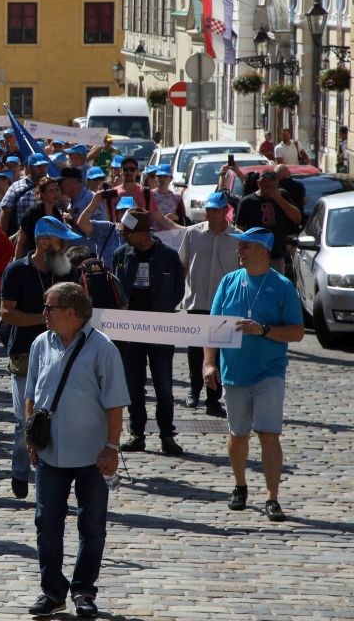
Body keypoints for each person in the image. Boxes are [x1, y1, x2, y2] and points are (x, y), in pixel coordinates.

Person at [24, 283, 128, 619]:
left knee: (92, 525)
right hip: (50, 453)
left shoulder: (103, 349)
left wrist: (112, 448)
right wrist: (31, 439)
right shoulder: (41, 344)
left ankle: (84, 590)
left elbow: (115, 404)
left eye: (49, 307)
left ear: (72, 312)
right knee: (47, 523)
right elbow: (31, 395)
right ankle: (52, 591)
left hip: (92, 455)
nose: (44, 313)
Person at [204, 227, 304, 522]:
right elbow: (213, 327)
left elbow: (297, 332)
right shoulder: (228, 282)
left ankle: (273, 497)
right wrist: (208, 364)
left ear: (262, 250)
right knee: (238, 434)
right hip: (234, 371)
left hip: (269, 371)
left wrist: (264, 330)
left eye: (245, 247)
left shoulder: (282, 286)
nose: (240, 251)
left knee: (269, 434)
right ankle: (240, 485)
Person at [0, 216, 79, 499]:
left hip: (59, 354)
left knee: (56, 418)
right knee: (25, 419)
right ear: (43, 241)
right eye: (61, 240)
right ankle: (20, 470)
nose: (65, 245)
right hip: (23, 353)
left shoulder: (66, 270)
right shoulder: (17, 271)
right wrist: (45, 320)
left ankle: (49, 475)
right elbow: (6, 312)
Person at [110, 208, 186, 456]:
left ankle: (167, 435)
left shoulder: (168, 256)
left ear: (141, 233)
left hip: (160, 331)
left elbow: (177, 291)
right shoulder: (121, 255)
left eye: (127, 232)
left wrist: (161, 313)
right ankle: (137, 434)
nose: (123, 236)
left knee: (164, 386)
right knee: (133, 386)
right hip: (130, 332)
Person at [178, 191, 240, 416]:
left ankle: (213, 398)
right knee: (195, 351)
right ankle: (194, 389)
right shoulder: (192, 233)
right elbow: (183, 265)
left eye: (216, 210)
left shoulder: (237, 237)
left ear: (225, 211)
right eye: (209, 210)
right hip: (197, 301)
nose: (211, 214)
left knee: (219, 352)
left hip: (223, 304)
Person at [233, 168, 302, 274]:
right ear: (259, 183)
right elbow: (239, 229)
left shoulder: (282, 195)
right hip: (254, 254)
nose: (269, 190)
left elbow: (297, 218)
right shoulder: (247, 202)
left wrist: (278, 198)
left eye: (273, 187)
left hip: (276, 252)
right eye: (267, 187)